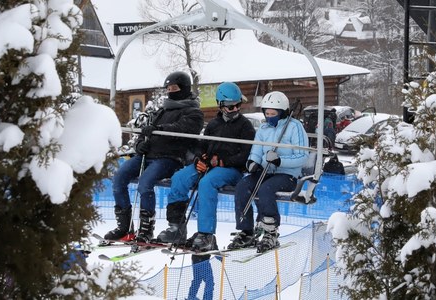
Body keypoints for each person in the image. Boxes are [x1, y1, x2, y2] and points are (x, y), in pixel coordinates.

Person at [104, 71, 204, 243]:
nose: (171, 91)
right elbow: (147, 131)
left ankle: (146, 228)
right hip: (148, 154)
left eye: (175, 88)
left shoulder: (193, 112)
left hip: (169, 158)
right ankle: (125, 227)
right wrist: (140, 144)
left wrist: (160, 130)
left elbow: (182, 129)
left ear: (184, 88)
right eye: (169, 88)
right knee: (119, 178)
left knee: (145, 183)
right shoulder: (161, 110)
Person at [156, 82, 256, 251]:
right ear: (220, 105)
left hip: (231, 170)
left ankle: (206, 234)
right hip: (209, 165)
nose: (234, 110)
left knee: (206, 183)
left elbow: (245, 155)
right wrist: (200, 159)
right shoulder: (214, 124)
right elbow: (202, 145)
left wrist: (223, 161)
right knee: (179, 178)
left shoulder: (245, 127)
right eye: (230, 107)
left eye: (237, 105)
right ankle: (176, 228)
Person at [228, 91, 309, 253]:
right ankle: (246, 230)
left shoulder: (294, 127)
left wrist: (280, 161)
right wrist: (252, 162)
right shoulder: (264, 128)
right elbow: (257, 150)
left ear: (283, 112)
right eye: (267, 113)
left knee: (266, 189)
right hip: (265, 171)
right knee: (243, 186)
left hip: (288, 175)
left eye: (274, 114)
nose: (269, 116)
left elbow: (303, 155)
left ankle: (270, 231)